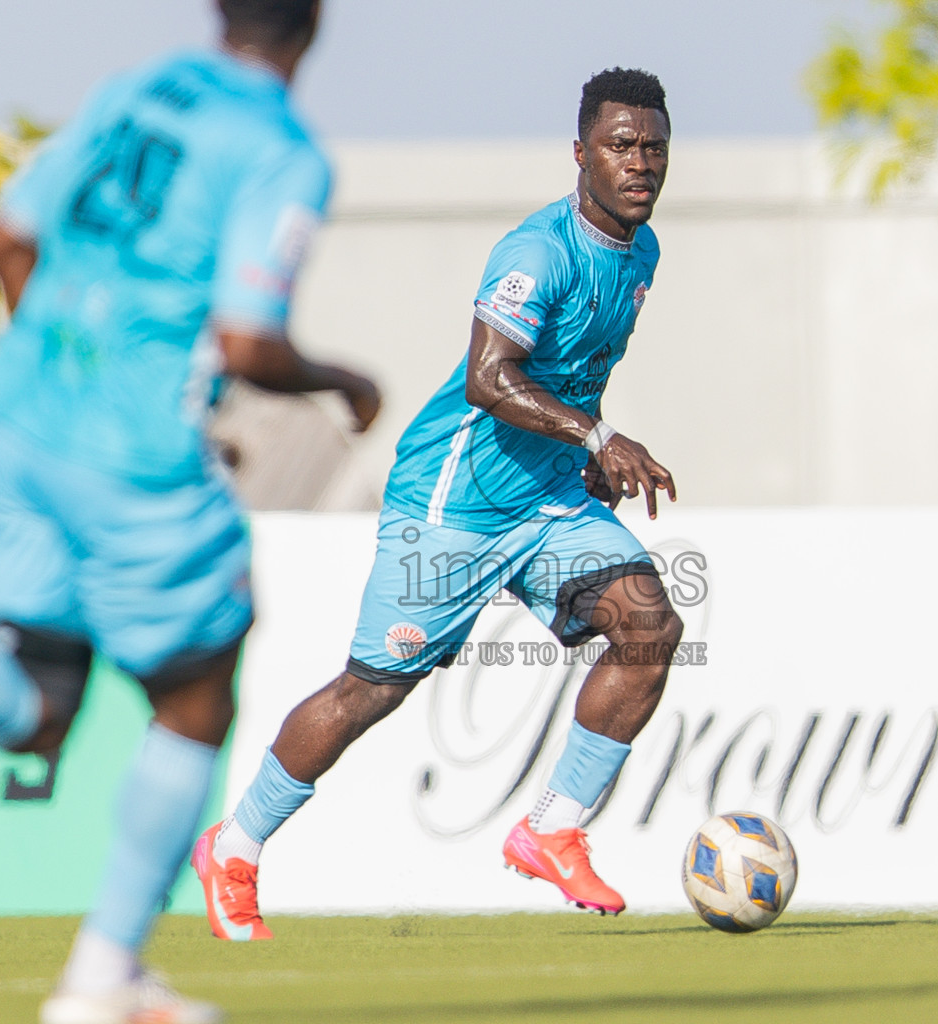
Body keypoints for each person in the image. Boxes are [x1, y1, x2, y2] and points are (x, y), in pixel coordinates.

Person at [0, 1, 378, 1020]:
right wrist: (341, 380)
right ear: (313, 26)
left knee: (39, 709)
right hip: (133, 454)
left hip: (17, 421)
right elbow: (248, 342)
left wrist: (60, 368)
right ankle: (103, 976)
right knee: (198, 692)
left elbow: (6, 239)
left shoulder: (136, 91)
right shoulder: (283, 150)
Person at [194, 66, 682, 939]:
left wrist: (588, 444)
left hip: (547, 501)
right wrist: (600, 440)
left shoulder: (641, 254)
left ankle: (553, 829)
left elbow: (575, 372)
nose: (638, 163)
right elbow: (494, 380)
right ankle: (234, 845)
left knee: (649, 624)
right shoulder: (537, 254)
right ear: (580, 155)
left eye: (653, 147)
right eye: (619, 145)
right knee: (373, 690)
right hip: (453, 503)